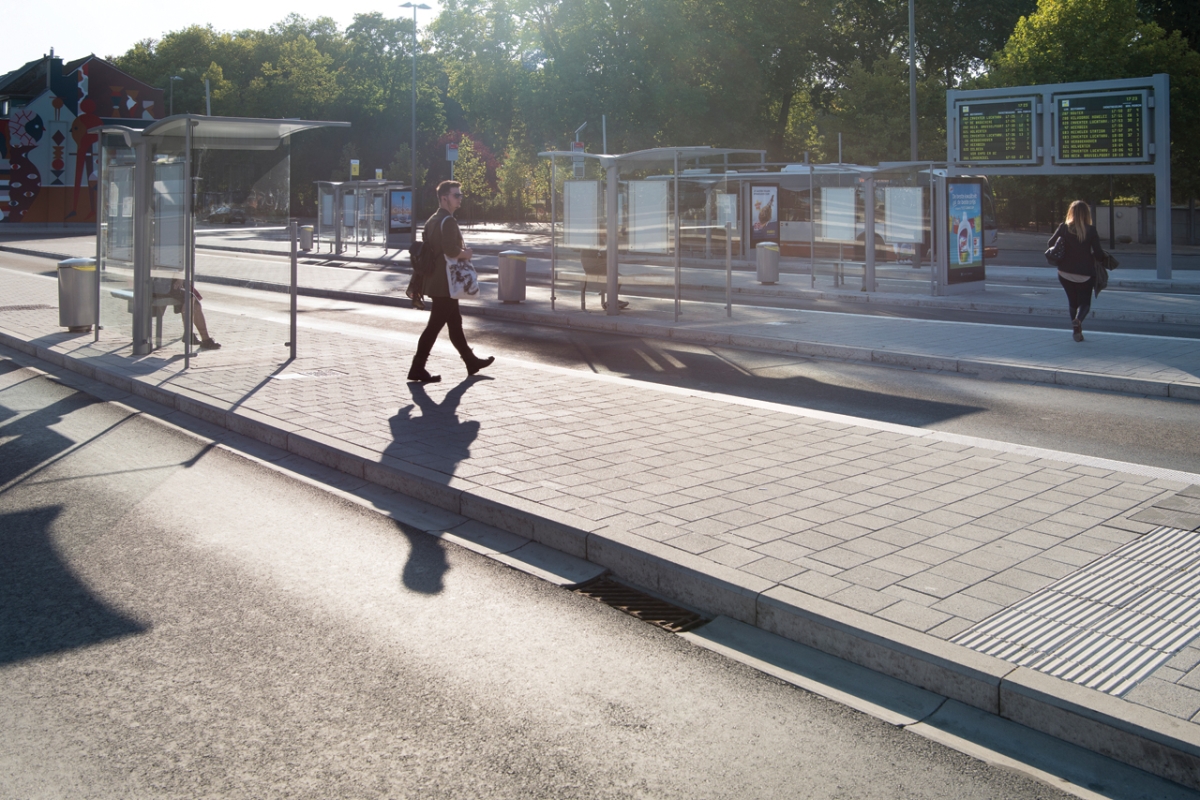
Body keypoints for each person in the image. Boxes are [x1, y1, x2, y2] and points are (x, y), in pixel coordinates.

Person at [406, 181, 493, 383]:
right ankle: (417, 367)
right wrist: (467, 253)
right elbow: (451, 251)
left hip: (436, 280)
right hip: (446, 282)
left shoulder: (432, 220)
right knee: (434, 327)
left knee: (455, 324)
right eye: (456, 195)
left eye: (460, 194)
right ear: (445, 198)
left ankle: (471, 362)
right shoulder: (449, 221)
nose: (460, 198)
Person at [1047, 200, 1105, 342]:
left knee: (1072, 302)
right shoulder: (1091, 230)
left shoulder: (1063, 228)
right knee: (1084, 303)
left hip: (1064, 272)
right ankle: (1078, 320)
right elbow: (1098, 253)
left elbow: (1050, 244)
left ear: (1070, 212)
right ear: (1086, 213)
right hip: (1085, 273)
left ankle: (1076, 331)